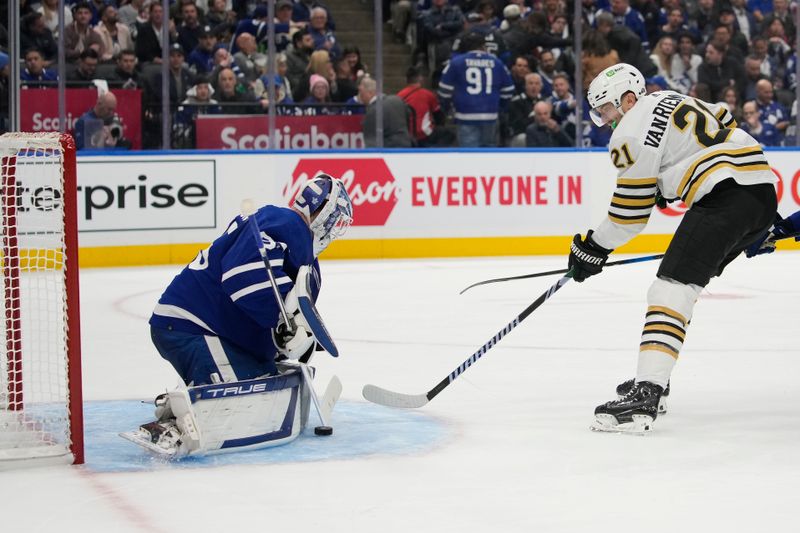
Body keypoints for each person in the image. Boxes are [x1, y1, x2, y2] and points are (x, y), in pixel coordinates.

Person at [571, 63, 777, 434]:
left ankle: (647, 392)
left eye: (605, 111)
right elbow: (723, 121)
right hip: (762, 191)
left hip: (724, 198)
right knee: (686, 287)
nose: (605, 121)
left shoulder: (629, 133)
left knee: (670, 288)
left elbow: (629, 215)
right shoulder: (670, 97)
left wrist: (593, 248)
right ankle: (657, 375)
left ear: (628, 99)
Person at [125, 174, 353, 457]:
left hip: (200, 325)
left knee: (269, 380)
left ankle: (186, 399)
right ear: (322, 213)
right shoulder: (290, 226)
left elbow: (276, 304)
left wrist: (286, 336)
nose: (333, 230)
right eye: (334, 220)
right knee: (254, 400)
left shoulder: (285, 230)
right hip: (193, 325)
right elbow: (240, 278)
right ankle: (180, 418)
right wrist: (282, 318)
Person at [437, 32, 514, 147]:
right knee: (489, 154)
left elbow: (444, 91)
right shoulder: (497, 63)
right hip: (490, 115)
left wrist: (448, 108)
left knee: (470, 156)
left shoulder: (456, 63)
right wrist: (500, 107)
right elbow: (508, 90)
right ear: (484, 46)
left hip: (465, 115)